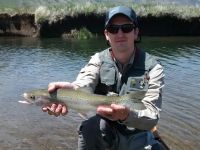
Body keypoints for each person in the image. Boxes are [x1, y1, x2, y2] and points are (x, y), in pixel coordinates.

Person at [42, 6, 165, 150]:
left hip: (138, 135)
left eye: (126, 28)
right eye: (113, 29)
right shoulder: (98, 60)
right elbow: (85, 81)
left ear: (136, 32)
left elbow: (152, 117)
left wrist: (127, 115)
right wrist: (74, 89)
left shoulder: (153, 68)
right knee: (90, 127)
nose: (119, 33)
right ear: (107, 34)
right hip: (105, 131)